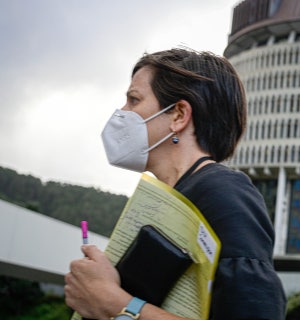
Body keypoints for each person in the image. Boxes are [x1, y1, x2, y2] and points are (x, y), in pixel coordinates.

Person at [64, 48, 286, 319]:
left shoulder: (223, 192)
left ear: (179, 115)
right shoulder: (168, 200)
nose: (122, 113)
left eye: (134, 100)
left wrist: (113, 302)